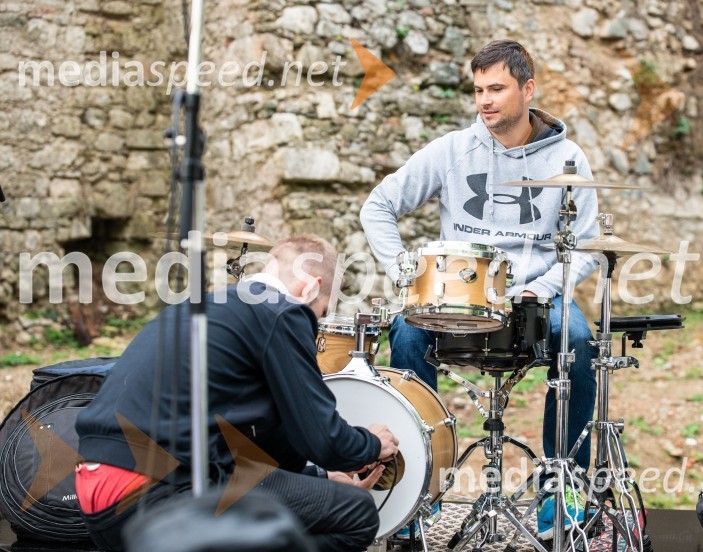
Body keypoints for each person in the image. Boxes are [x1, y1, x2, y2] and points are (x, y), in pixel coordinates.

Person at [360, 40, 599, 539]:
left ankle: (563, 492)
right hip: (459, 298)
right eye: (478, 90)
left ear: (528, 89)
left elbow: (587, 245)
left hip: (536, 297)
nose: (485, 100)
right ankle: (415, 490)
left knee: (578, 340)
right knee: (406, 333)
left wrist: (544, 288)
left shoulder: (568, 158)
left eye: (497, 89)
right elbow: (377, 205)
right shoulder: (451, 150)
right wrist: (405, 272)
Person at [75, 234, 399, 552]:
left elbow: (254, 453)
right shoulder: (282, 311)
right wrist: (371, 445)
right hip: (158, 489)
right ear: (311, 288)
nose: (315, 325)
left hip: (98, 492)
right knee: (357, 513)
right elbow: (323, 440)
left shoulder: (205, 307)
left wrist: (320, 477)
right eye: (322, 312)